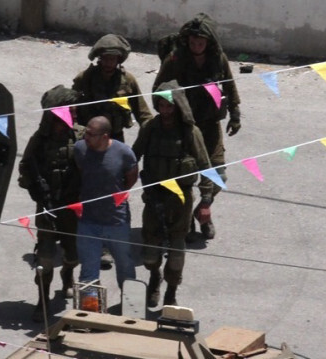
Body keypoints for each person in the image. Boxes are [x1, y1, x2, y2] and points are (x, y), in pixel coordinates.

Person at [153, 13, 241, 240]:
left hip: (211, 125)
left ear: (209, 42)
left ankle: (203, 209)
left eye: (201, 42)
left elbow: (230, 86)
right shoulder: (176, 58)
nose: (196, 46)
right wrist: (169, 112)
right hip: (185, 125)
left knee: (218, 174)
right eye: (192, 42)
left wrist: (235, 114)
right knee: (185, 175)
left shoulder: (218, 58)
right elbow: (158, 88)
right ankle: (185, 222)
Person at [132, 80, 214, 307]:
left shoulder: (190, 132)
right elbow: (133, 156)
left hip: (181, 200)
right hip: (154, 196)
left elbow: (206, 166)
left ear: (177, 106)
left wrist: (206, 201)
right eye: (161, 105)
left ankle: (171, 290)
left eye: (169, 105)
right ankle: (154, 277)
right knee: (150, 251)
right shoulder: (150, 128)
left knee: (177, 252)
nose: (165, 111)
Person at [18, 85, 83, 322]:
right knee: (45, 258)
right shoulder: (40, 140)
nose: (75, 114)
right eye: (71, 110)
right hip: (47, 207)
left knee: (73, 254)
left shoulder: (81, 136)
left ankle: (68, 274)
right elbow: (25, 166)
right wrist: (36, 189)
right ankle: (43, 300)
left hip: (72, 207)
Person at [73, 116, 138, 289]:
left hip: (116, 221)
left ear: (105, 136)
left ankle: (129, 306)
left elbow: (132, 175)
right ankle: (89, 310)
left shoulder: (123, 152)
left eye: (91, 134)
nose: (86, 137)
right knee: (88, 271)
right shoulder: (80, 149)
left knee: (125, 265)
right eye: (86, 132)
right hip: (88, 221)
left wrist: (118, 192)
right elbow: (82, 172)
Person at [73, 34, 154, 143]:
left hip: (116, 137)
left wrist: (152, 130)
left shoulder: (128, 80)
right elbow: (70, 106)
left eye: (112, 59)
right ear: (99, 58)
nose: (108, 63)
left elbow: (142, 112)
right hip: (90, 137)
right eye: (105, 58)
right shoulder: (85, 78)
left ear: (118, 60)